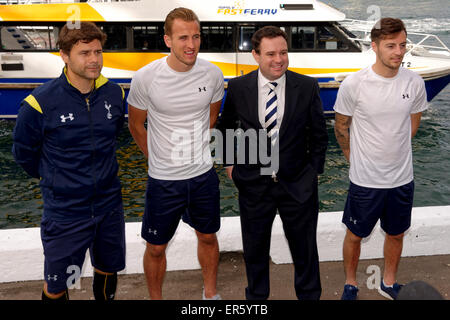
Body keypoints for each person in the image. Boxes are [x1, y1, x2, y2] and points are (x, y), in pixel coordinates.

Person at [12, 22, 127, 301]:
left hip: (109, 204)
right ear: (64, 55)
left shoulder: (114, 94)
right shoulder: (39, 103)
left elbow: (114, 138)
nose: (94, 60)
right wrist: (57, 180)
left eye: (98, 52)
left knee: (107, 268)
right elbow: (24, 154)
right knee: (58, 284)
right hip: (65, 211)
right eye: (84, 53)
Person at [216, 26, 328, 300]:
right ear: (255, 55)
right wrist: (230, 165)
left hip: (298, 187)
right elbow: (225, 127)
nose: (279, 59)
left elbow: (318, 134)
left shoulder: (307, 86)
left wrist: (313, 172)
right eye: (271, 54)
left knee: (305, 253)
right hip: (254, 186)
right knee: (254, 253)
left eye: (283, 52)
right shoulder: (239, 87)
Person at [127, 7, 224, 300]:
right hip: (164, 180)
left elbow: (211, 118)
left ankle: (210, 294)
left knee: (207, 236)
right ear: (167, 39)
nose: (191, 44)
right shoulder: (146, 77)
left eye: (196, 36)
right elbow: (135, 124)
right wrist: (156, 158)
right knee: (156, 247)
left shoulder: (213, 73)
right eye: (183, 37)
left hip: (202, 175)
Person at [334, 18, 428, 300]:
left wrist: (395, 148)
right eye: (391, 46)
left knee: (396, 234)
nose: (398, 52)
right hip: (365, 181)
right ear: (374, 47)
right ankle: (351, 283)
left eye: (402, 45)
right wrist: (354, 158)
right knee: (355, 235)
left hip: (402, 179)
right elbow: (341, 126)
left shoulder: (414, 82)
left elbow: (414, 121)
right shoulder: (354, 84)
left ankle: (388, 282)